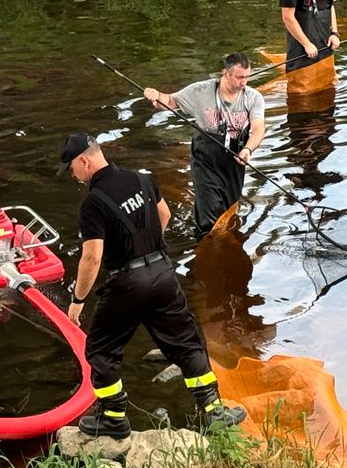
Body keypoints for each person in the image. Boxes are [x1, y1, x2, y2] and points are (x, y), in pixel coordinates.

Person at [57, 132, 246, 438]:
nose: (73, 176)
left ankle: (114, 417)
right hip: (162, 275)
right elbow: (164, 214)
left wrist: (78, 299)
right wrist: (147, 246)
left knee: (100, 349)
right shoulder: (143, 180)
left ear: (84, 160)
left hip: (127, 283)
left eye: (72, 169)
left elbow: (92, 257)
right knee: (185, 342)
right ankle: (213, 411)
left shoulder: (93, 202)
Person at [142, 53, 266, 238]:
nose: (244, 82)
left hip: (235, 156)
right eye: (240, 77)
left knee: (229, 207)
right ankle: (203, 242)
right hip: (206, 158)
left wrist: (248, 149)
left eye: (247, 77)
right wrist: (155, 95)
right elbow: (169, 101)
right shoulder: (200, 91)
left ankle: (226, 241)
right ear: (225, 73)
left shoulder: (253, 97)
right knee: (208, 212)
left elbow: (258, 128)